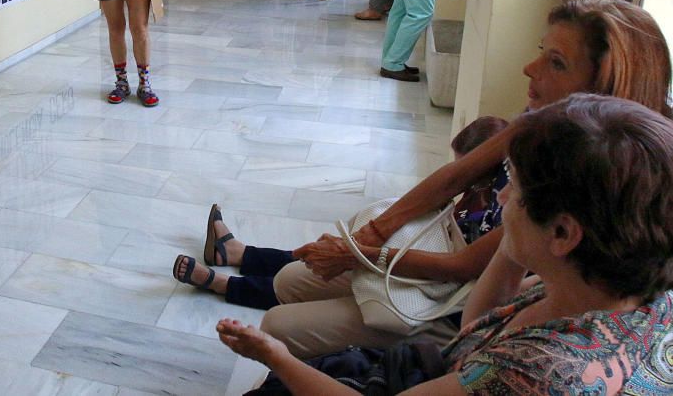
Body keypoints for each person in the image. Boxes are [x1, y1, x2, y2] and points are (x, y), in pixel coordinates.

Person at [173, 0, 672, 359]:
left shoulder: (589, 183)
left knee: (282, 324)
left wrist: (360, 254)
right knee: (291, 278)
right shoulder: (540, 126)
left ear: (602, 88)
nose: (528, 66)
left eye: (555, 62)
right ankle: (243, 269)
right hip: (432, 251)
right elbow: (455, 175)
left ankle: (259, 310)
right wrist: (374, 233)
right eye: (541, 50)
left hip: (453, 301)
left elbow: (465, 270)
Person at [218, 93, 673, 395]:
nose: (501, 196)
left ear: (563, 234)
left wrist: (273, 356)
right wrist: (515, 246)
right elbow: (476, 330)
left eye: (516, 189)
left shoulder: (531, 374)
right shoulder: (619, 292)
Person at [171, 114, 507, 311]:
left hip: (429, 287)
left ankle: (224, 284)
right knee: (320, 255)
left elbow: (458, 270)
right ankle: (238, 253)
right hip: (407, 259)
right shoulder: (474, 195)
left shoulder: (501, 214)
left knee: (302, 281)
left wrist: (366, 254)